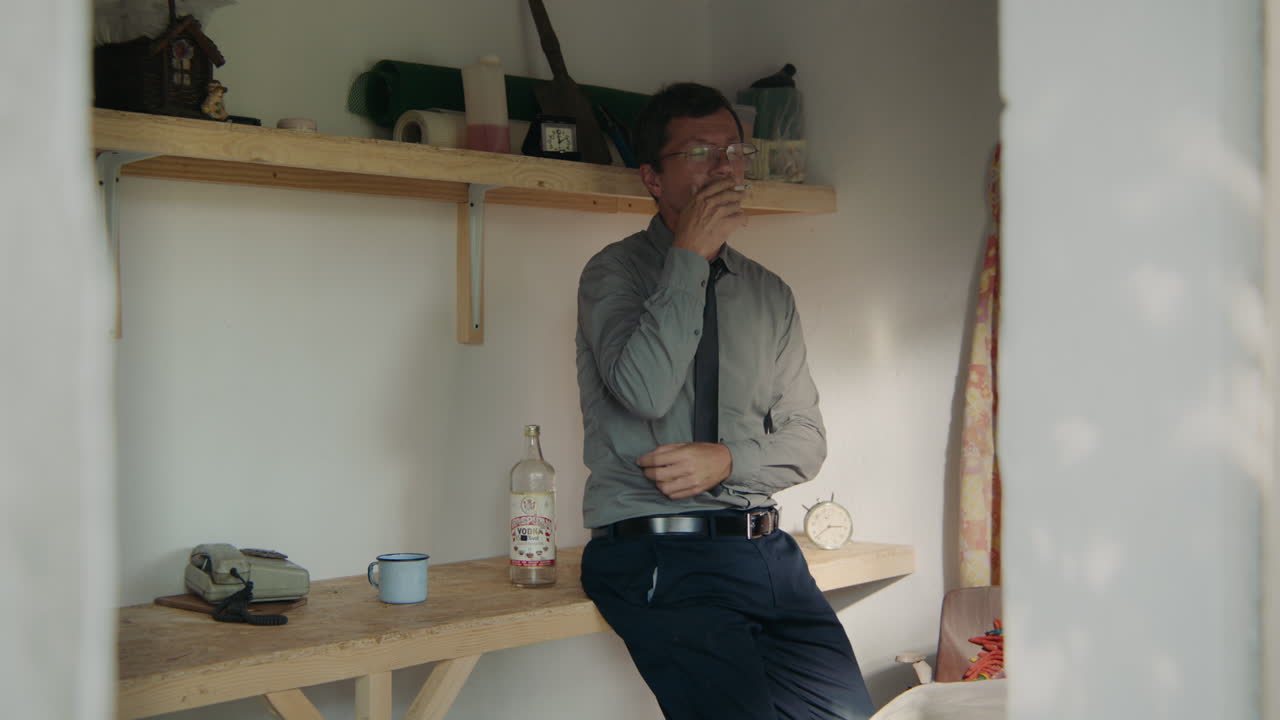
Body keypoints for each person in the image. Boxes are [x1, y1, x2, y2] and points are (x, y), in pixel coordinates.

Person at [575, 82, 875, 720]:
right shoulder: (613, 273)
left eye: (735, 151)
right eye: (700, 153)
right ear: (653, 178)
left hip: (767, 551)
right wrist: (689, 255)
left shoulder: (769, 294)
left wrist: (728, 460)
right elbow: (645, 390)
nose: (724, 168)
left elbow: (806, 442)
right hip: (659, 552)